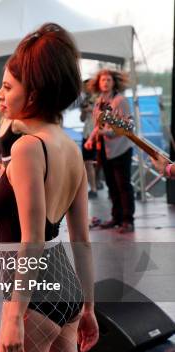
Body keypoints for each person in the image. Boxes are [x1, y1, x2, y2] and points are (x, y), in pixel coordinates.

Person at [0, 23, 99, 352]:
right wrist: (88, 306)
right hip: (65, 289)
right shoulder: (68, 147)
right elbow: (81, 240)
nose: (0, 95)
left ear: (32, 92)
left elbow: (32, 239)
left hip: (32, 295)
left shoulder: (28, 150)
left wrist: (14, 313)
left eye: (7, 87)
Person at [84, 69, 135, 233]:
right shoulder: (99, 101)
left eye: (108, 80)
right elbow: (98, 126)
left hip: (120, 149)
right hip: (104, 149)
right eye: (103, 80)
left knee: (123, 185)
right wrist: (91, 139)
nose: (105, 82)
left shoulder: (120, 101)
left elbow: (128, 126)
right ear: (98, 83)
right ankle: (116, 217)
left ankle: (128, 220)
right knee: (111, 185)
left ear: (114, 83)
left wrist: (107, 133)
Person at [80, 79, 98, 198]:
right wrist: (84, 111)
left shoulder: (99, 98)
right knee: (87, 162)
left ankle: (96, 185)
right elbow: (82, 119)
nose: (86, 88)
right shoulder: (85, 100)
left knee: (95, 162)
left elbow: (104, 114)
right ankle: (93, 188)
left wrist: (91, 109)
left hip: (98, 133)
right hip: (87, 133)